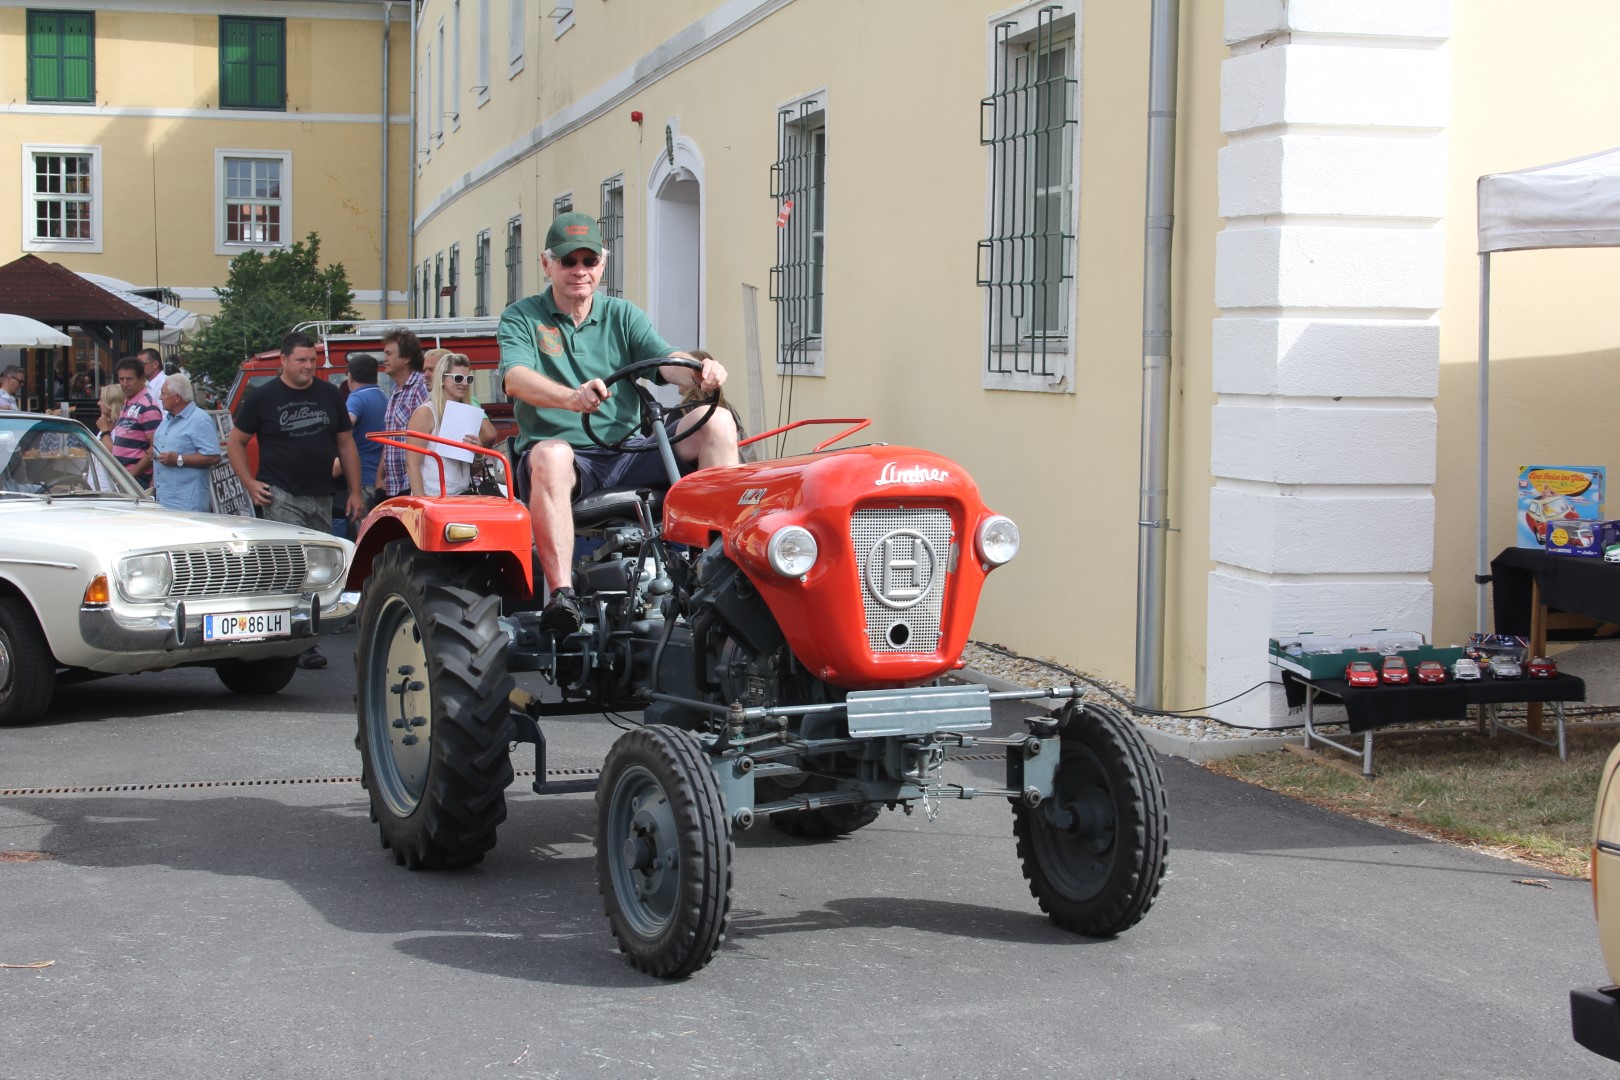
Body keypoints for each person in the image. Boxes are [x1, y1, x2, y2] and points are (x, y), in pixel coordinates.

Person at [498, 211, 739, 634]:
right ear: (546, 264)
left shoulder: (622, 315)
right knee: (551, 453)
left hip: (627, 453)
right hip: (568, 463)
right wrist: (572, 398)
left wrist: (699, 370)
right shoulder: (522, 317)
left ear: (602, 266)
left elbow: (664, 361)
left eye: (589, 261)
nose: (579, 271)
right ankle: (562, 596)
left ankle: (721, 570)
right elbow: (515, 379)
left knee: (714, 420)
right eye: (568, 261)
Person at [226, 332, 364, 670]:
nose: (307, 367)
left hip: (321, 492)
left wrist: (356, 492)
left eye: (312, 361)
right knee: (293, 567)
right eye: (301, 360)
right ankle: (294, 644)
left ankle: (306, 638)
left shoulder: (329, 394)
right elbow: (235, 442)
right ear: (284, 361)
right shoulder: (263, 397)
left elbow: (346, 445)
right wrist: (249, 483)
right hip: (281, 493)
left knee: (318, 570)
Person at [407, 352, 499, 496]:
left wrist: (478, 453)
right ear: (442, 379)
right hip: (433, 496)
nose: (464, 383)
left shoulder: (467, 412)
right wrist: (422, 503)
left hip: (461, 495)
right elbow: (412, 463)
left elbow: (467, 470)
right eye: (458, 378)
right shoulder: (426, 412)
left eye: (468, 379)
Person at [151, 373, 222, 513]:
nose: (160, 397)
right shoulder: (167, 419)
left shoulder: (199, 420)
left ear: (177, 397)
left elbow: (213, 456)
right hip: (163, 500)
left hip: (187, 505)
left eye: (163, 394)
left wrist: (178, 459)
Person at [377, 328, 429, 498]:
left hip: (413, 484)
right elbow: (391, 437)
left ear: (406, 358)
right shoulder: (396, 391)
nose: (384, 359)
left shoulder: (420, 386)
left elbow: (431, 430)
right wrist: (380, 476)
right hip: (395, 485)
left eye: (389, 354)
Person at [102, 357, 161, 487]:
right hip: (124, 477)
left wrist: (132, 473)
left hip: (138, 479)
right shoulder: (128, 403)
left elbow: (156, 447)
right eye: (121, 379)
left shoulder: (148, 406)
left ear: (141, 379)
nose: (124, 384)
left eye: (129, 379)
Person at [341, 352, 388, 510]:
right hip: (381, 480)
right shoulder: (384, 399)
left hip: (362, 482)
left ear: (350, 377)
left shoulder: (356, 398)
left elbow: (347, 421)